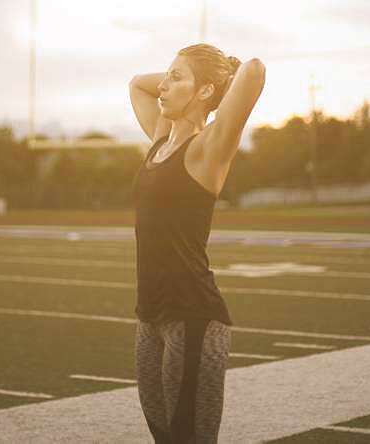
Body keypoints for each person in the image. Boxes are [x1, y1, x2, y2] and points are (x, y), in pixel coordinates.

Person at [128, 43, 266, 443]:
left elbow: (254, 70)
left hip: (194, 319)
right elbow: (137, 84)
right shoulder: (159, 140)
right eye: (166, 76)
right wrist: (183, 78)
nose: (163, 87)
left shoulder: (207, 149)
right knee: (164, 438)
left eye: (175, 78)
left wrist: (216, 76)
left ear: (205, 91)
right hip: (150, 318)